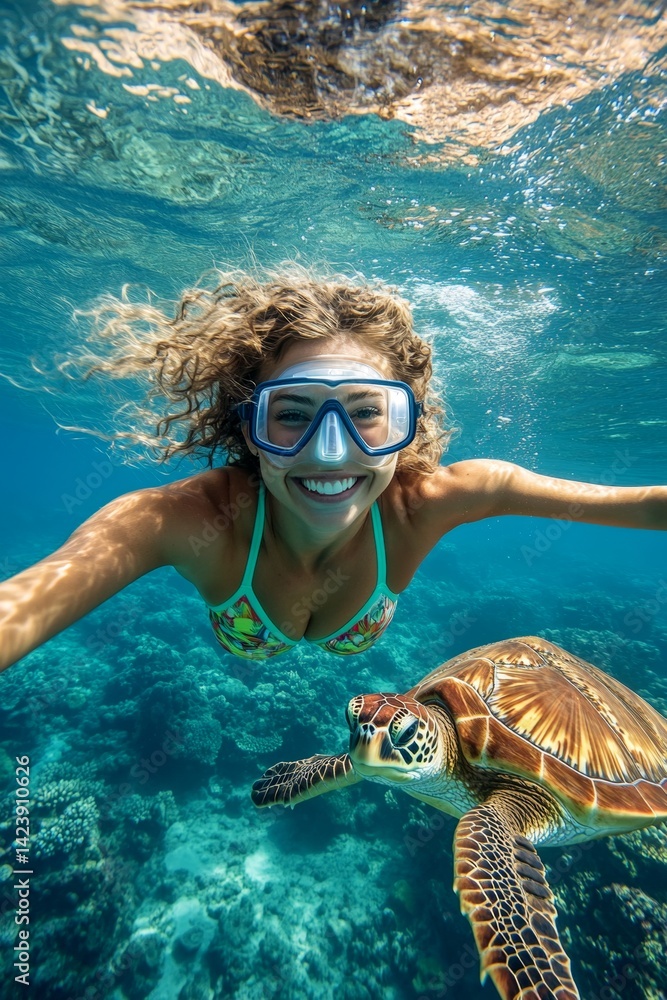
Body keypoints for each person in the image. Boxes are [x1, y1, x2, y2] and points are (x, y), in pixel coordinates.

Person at [0, 266, 665, 670]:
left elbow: (638, 503)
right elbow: (24, 605)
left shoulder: (430, 499)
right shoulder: (180, 520)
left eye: (365, 413)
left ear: (409, 426)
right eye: (291, 414)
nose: (328, 451)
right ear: (248, 428)